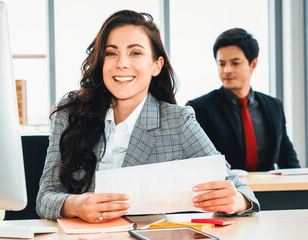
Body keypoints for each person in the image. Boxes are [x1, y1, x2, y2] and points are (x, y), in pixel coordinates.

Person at [36, 11, 259, 223]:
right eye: (111, 53)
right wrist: (74, 205)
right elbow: (45, 196)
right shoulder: (70, 112)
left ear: (156, 65)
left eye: (135, 52)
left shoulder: (177, 121)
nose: (122, 63)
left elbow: (241, 191)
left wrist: (237, 201)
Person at [187, 28, 301, 172]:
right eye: (221, 64)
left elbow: (286, 154)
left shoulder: (274, 106)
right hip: (226, 189)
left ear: (252, 64)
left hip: (270, 190)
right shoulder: (199, 108)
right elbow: (198, 162)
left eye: (235, 63)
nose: (227, 70)